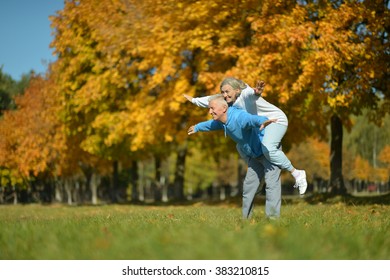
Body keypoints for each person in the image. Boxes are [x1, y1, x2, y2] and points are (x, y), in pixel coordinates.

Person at [184, 77, 307, 195]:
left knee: (268, 148)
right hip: (259, 125)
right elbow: (210, 101)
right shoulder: (228, 102)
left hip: (274, 120)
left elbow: (251, 94)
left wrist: (257, 92)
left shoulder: (245, 94)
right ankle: (260, 177)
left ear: (237, 90)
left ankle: (297, 173)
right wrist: (194, 101)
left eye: (227, 91)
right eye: (223, 92)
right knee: (241, 146)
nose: (225, 95)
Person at [188, 95, 281, 219]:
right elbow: (211, 125)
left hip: (269, 151)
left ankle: (273, 220)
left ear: (224, 108)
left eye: (212, 108)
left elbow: (251, 119)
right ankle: (246, 221)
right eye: (209, 108)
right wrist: (197, 127)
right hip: (255, 155)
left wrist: (263, 121)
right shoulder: (222, 121)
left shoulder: (238, 117)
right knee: (249, 188)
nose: (210, 111)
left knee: (271, 185)